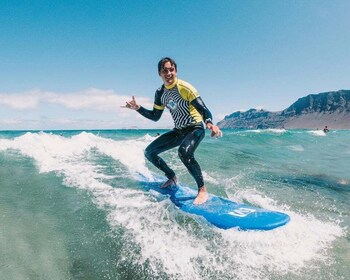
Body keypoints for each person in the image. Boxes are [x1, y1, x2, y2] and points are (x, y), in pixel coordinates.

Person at [122, 57, 222, 204]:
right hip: (179, 130)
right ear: (159, 73)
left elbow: (204, 110)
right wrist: (138, 108)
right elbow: (155, 116)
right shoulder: (160, 93)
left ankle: (202, 190)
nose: (168, 73)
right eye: (165, 70)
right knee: (149, 152)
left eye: (171, 70)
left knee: (184, 152)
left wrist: (209, 123)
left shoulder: (185, 88)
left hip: (195, 128)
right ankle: (171, 177)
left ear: (176, 71)